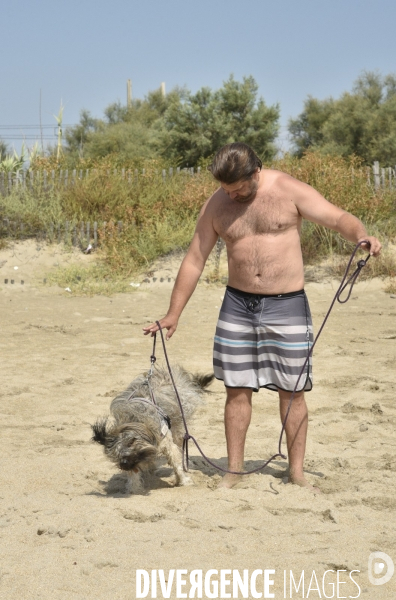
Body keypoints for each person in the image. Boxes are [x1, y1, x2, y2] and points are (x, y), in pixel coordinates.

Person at [143, 143, 381, 490]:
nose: (233, 195)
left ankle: (296, 473)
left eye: (239, 188)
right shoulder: (216, 204)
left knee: (293, 391)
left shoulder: (288, 190)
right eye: (227, 189)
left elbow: (337, 217)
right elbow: (195, 258)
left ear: (256, 171)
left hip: (287, 306)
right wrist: (172, 313)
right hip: (237, 306)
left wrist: (360, 236)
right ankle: (233, 471)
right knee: (236, 390)